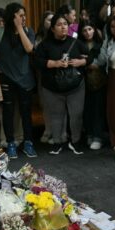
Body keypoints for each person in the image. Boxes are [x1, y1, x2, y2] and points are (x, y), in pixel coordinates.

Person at [35, 13, 90, 155]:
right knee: (56, 115)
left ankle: (76, 142)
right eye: (59, 25)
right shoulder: (45, 44)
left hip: (75, 86)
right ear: (52, 28)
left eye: (65, 24)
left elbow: (90, 55)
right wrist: (54, 63)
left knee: (76, 115)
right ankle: (58, 143)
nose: (63, 27)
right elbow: (36, 61)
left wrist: (81, 62)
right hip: (52, 87)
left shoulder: (75, 42)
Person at [0, 2, 37, 159]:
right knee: (8, 112)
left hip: (25, 78)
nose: (24, 18)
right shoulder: (0, 31)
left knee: (26, 112)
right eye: (20, 15)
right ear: (12, 16)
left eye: (25, 15)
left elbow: (29, 49)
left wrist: (19, 28)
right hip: (7, 77)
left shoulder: (28, 30)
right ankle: (11, 143)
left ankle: (28, 143)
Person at [93, 14, 115, 152]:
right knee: (112, 110)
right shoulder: (109, 41)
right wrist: (86, 62)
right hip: (112, 76)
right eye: (112, 26)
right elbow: (101, 60)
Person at [78, 20, 106, 150]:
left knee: (98, 110)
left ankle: (97, 137)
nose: (87, 32)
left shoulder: (100, 44)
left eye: (89, 29)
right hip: (82, 82)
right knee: (86, 110)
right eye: (84, 30)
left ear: (94, 30)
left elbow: (101, 63)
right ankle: (89, 134)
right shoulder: (78, 45)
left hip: (99, 81)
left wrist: (85, 62)